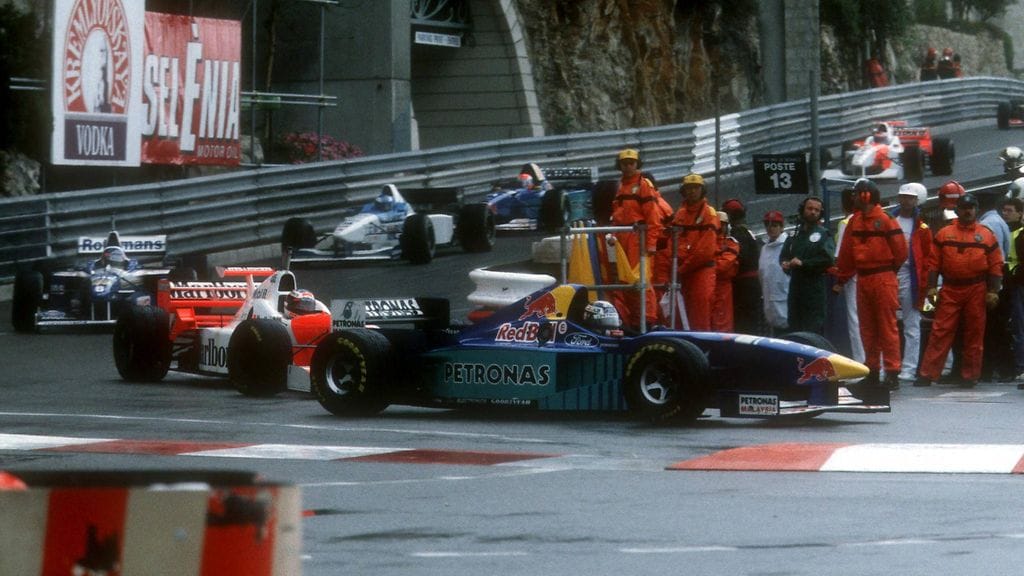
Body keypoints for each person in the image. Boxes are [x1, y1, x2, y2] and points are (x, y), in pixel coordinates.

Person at [917, 192, 1004, 388]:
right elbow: (933, 263)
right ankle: (927, 374)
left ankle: (970, 375)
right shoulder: (944, 233)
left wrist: (993, 291)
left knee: (974, 332)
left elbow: (995, 265)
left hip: (976, 289)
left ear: (976, 209)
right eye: (964, 208)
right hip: (950, 287)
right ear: (958, 210)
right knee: (940, 330)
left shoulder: (987, 235)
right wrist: (931, 289)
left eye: (971, 208)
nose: (968, 211)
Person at [833, 178, 908, 390]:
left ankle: (892, 372)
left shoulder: (885, 220)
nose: (854, 197)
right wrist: (842, 278)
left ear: (866, 196)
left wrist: (888, 270)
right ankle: (873, 370)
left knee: (886, 327)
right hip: (865, 278)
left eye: (857, 194)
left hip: (882, 277)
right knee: (867, 328)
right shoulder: (855, 221)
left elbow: (901, 251)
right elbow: (847, 254)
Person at [607, 148, 664, 330]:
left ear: (637, 164)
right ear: (620, 165)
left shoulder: (644, 184)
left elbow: (653, 218)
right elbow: (617, 214)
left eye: (631, 162)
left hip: (638, 238)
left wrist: (651, 243)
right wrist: (614, 235)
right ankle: (634, 320)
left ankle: (648, 320)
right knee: (627, 281)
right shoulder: (621, 186)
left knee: (643, 281)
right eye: (625, 163)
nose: (628, 166)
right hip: (623, 239)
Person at [663, 173, 719, 330]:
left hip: (701, 271)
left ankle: (702, 349)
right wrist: (675, 266)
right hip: (682, 272)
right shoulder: (680, 214)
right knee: (680, 315)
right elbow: (672, 242)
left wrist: (682, 267)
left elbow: (705, 250)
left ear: (702, 190)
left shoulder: (709, 213)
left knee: (700, 315)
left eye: (696, 188)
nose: (692, 191)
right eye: (689, 188)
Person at [891, 182, 933, 384]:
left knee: (911, 323)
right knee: (887, 322)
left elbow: (927, 258)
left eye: (910, 197)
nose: (906, 200)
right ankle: (886, 366)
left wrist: (924, 283)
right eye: (903, 196)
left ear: (917, 200)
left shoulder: (922, 227)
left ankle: (908, 368)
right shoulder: (891, 220)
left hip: (910, 276)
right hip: (889, 273)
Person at [780, 196, 834, 335]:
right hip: (796, 287)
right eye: (810, 208)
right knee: (795, 326)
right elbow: (784, 254)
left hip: (814, 288)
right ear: (802, 210)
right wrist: (785, 263)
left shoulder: (823, 234)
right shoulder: (794, 234)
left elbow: (827, 259)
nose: (813, 212)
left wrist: (804, 263)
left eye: (817, 210)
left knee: (813, 328)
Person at [831, 186, 865, 363]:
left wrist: (839, 280)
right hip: (872, 275)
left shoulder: (846, 223)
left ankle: (861, 362)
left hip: (852, 277)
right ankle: (878, 365)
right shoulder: (871, 218)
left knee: (855, 320)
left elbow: (842, 256)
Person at [722, 198, 762, 334]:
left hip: (743, 286)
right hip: (753, 284)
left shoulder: (736, 234)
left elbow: (738, 258)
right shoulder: (748, 232)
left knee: (743, 323)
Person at [759, 210, 789, 335]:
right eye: (768, 225)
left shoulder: (789, 244)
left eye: (774, 225)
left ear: (781, 227)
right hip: (769, 298)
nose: (770, 228)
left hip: (785, 297)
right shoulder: (764, 248)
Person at [712, 211, 740, 332]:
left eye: (722, 224)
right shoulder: (707, 241)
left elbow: (724, 265)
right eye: (718, 224)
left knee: (723, 321)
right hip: (707, 284)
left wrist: (707, 267)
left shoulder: (731, 243)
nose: (720, 227)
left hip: (723, 287)